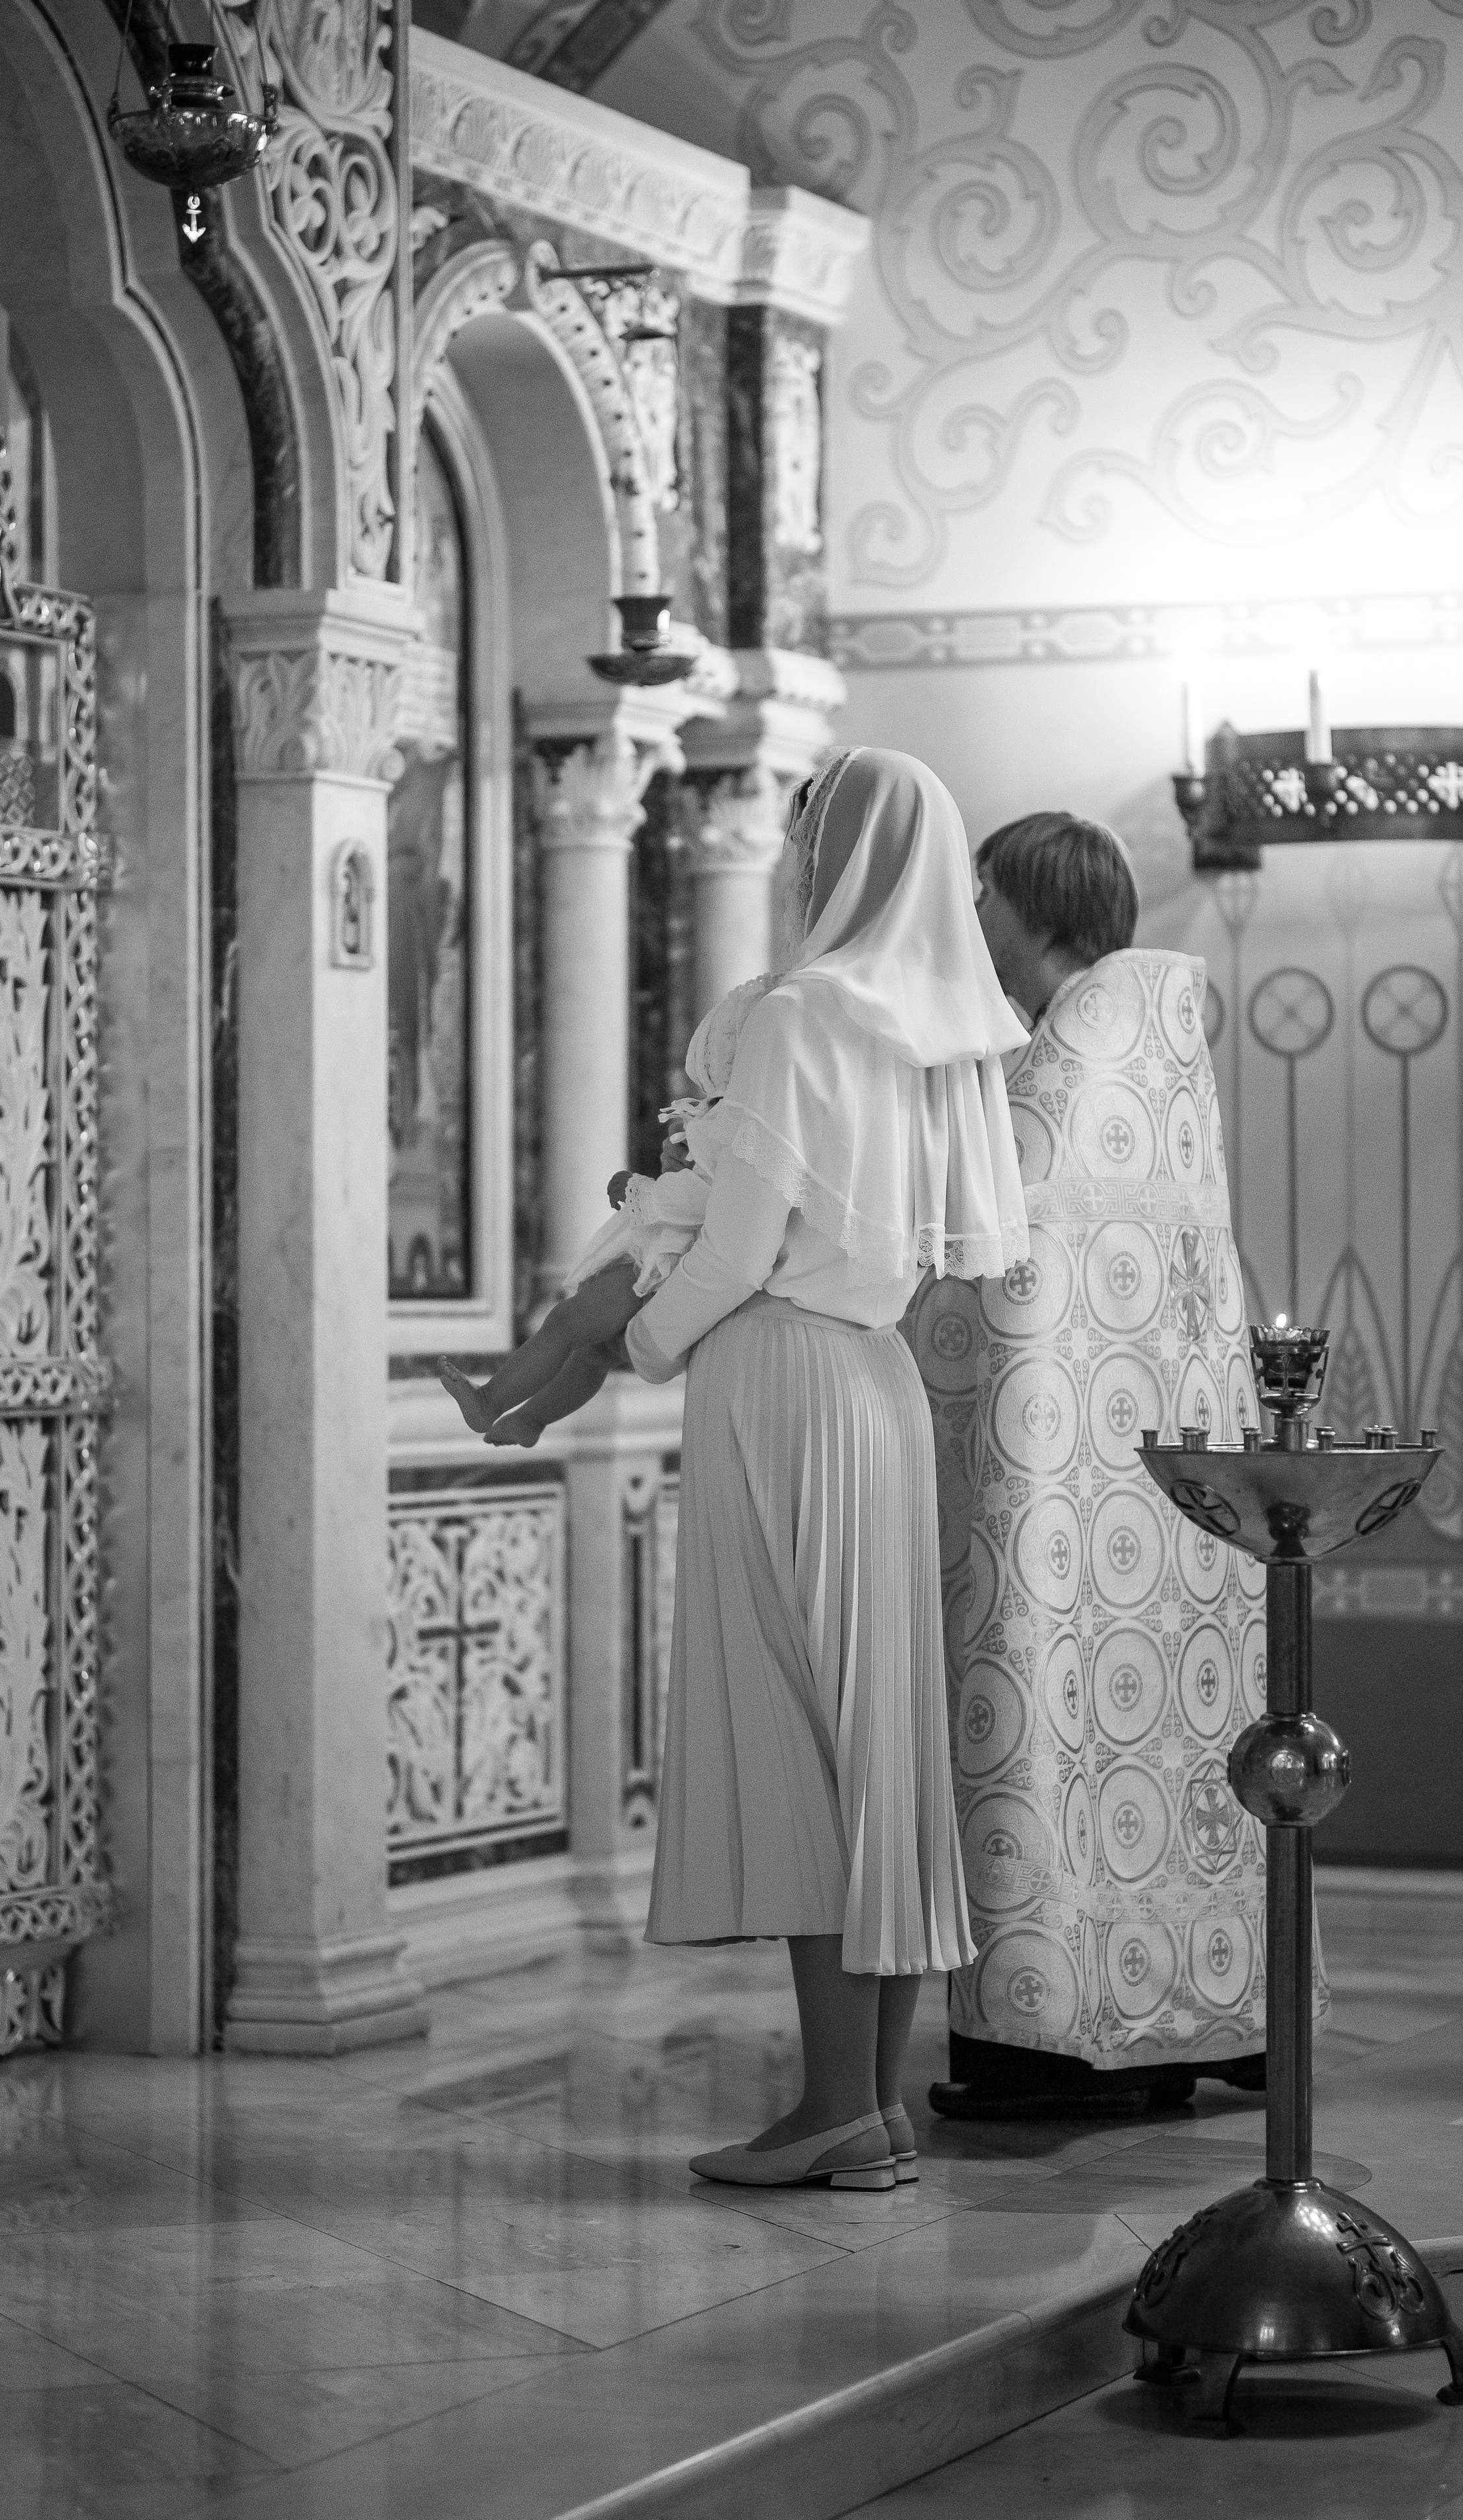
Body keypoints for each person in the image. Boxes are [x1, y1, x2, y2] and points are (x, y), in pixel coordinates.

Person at [627, 747, 1031, 2191]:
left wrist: (641, 1335)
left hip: (780, 1377)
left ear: (838, 854)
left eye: (806, 833)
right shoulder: (934, 1035)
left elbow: (738, 1247)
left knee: (796, 1733)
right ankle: (875, 2107)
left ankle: (829, 2112)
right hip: (877, 1385)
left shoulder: (800, 1015)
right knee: (882, 1744)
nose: (793, 859)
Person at [910, 810, 1294, 2118]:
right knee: (1177, 1735)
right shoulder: (1153, 1050)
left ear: (1032, 906)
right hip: (1161, 1488)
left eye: (983, 898)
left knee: (1051, 1713)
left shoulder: (1050, 1068)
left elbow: (982, 1269)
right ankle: (1197, 2021)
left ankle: (1050, 2047)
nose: (971, 922)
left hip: (1053, 1486)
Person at [436, 974, 775, 1445]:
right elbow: (699, 1179)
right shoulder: (726, 1118)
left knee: (568, 1325)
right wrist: (670, 1165)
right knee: (593, 1350)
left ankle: (492, 1400)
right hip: (666, 1251)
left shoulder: (742, 1126)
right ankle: (533, 1418)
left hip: (666, 1261)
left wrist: (641, 1190)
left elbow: (705, 1196)